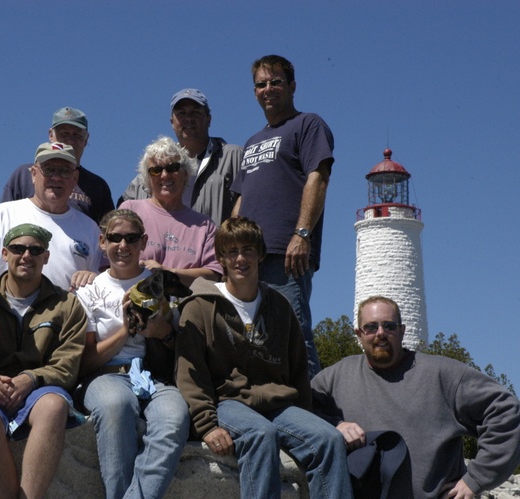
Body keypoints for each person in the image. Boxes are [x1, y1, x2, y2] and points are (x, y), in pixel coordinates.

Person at [175, 216, 353, 499]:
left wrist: (306, 420)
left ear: (260, 255)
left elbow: (298, 372)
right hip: (227, 402)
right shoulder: (199, 305)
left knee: (328, 439)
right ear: (221, 258)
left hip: (278, 404)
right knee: (261, 434)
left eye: (247, 250)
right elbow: (190, 373)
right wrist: (206, 425)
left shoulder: (279, 307)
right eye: (231, 252)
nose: (240, 258)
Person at [312, 296, 520, 499]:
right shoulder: (336, 377)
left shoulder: (441, 374)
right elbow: (299, 411)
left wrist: (475, 479)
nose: (381, 333)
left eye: (389, 326)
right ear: (359, 333)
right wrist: (335, 425)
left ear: (402, 331)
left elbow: (506, 411)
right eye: (371, 327)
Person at [231, 54, 335, 378]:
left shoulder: (308, 125)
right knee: (253, 341)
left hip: (286, 254)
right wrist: (228, 246)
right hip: (248, 258)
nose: (268, 89)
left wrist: (301, 234)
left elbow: (318, 178)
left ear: (292, 86)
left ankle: (317, 417)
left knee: (294, 337)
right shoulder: (250, 142)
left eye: (276, 82)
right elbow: (241, 200)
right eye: (261, 84)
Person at [75, 209, 189, 499]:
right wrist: (126, 330)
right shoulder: (89, 291)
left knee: (174, 417)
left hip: (155, 377)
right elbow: (85, 361)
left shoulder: (162, 283)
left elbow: (185, 350)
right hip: (107, 375)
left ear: (143, 242)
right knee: (116, 406)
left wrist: (162, 331)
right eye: (114, 238)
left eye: (131, 238)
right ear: (102, 242)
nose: (123, 246)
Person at [0, 223, 88, 499]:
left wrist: (32, 378)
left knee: (53, 406)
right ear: (3, 254)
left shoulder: (66, 304)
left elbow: (68, 364)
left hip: (41, 388)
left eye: (35, 250)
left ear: (46, 257)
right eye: (18, 248)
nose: (26, 255)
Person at [0, 141, 103, 291]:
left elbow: (104, 280)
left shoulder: (90, 229)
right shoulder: (1, 216)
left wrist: (94, 278)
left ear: (75, 179)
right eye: (49, 170)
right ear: (34, 174)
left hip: (70, 314)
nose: (56, 177)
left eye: (65, 171)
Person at [119, 88, 242, 226]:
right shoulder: (155, 166)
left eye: (195, 112)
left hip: (214, 245)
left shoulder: (234, 156)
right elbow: (120, 214)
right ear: (172, 122)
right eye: (181, 113)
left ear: (209, 119)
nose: (188, 118)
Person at [120, 136, 222, 286]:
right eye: (156, 170)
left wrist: (168, 273)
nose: (165, 175)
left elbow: (214, 274)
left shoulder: (204, 225)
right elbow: (109, 262)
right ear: (147, 177)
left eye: (172, 168)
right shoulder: (129, 211)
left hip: (188, 307)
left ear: (186, 173)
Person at [1, 106, 114, 223]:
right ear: (51, 135)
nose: (70, 141)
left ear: (86, 139)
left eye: (77, 135)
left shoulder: (98, 186)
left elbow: (109, 234)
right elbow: (5, 219)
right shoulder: (23, 175)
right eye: (64, 134)